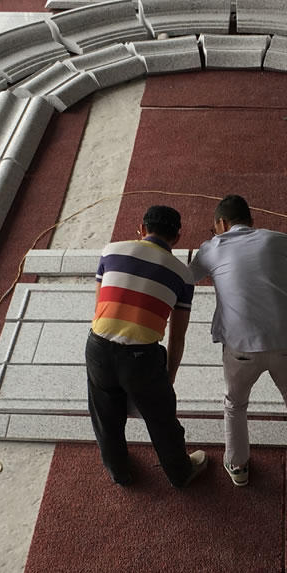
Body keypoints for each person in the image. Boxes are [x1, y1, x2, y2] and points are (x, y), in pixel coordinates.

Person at [190, 195, 287, 488]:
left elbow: (185, 277)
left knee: (235, 405)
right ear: (251, 221)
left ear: (221, 223)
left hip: (240, 349)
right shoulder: (280, 241)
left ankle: (238, 465)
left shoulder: (212, 248)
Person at [87, 205, 208, 487]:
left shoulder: (111, 251)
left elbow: (99, 306)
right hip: (141, 357)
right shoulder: (183, 275)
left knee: (105, 415)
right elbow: (177, 336)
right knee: (162, 418)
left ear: (141, 229)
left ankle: (118, 472)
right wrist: (169, 376)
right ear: (177, 237)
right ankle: (180, 473)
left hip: (98, 346)